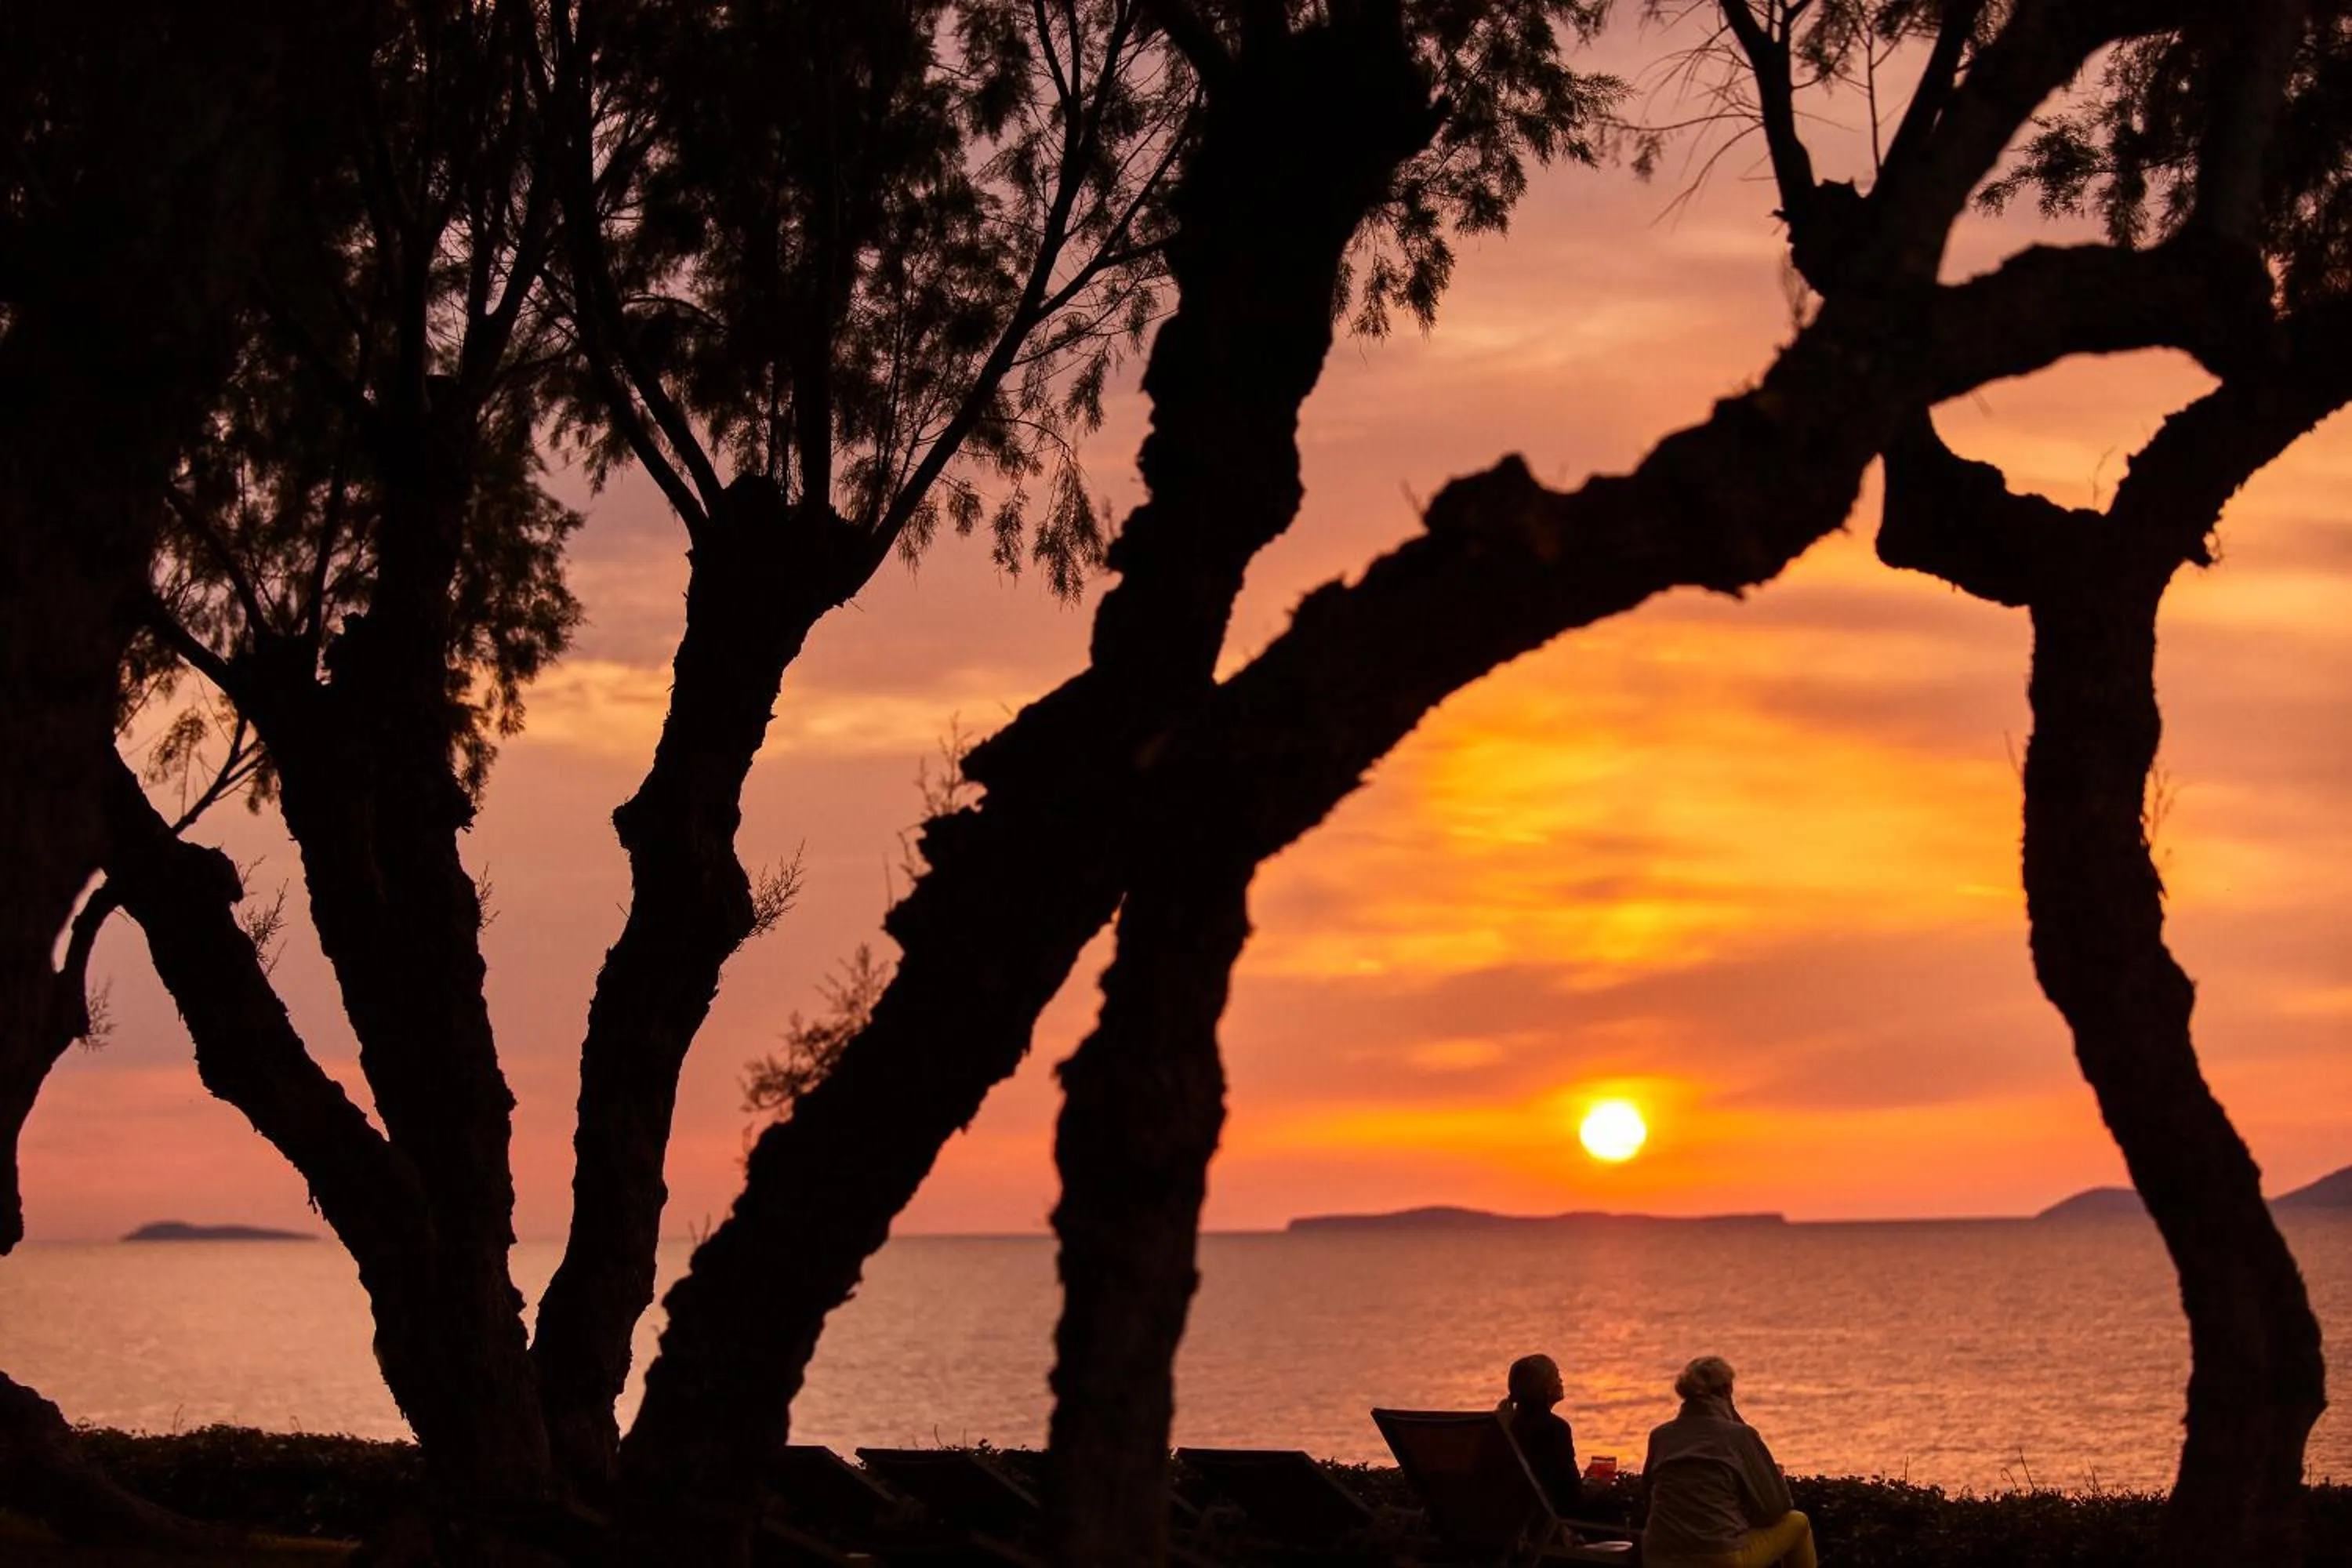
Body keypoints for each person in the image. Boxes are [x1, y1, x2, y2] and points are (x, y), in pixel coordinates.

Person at [1639, 1356, 1817, 1568]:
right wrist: (1771, 1479)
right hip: (1719, 1558)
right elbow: (1776, 1509)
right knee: (1798, 1522)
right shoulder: (1739, 1436)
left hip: (1659, 1557)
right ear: (1726, 1390)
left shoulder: (1660, 1436)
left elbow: (1647, 1495)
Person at [1500, 1352, 1581, 1516]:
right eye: (1557, 1376)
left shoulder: (1503, 1425)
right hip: (1544, 1524)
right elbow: (1570, 1495)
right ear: (1547, 1388)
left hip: (1507, 1518)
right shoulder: (1556, 1429)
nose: (1561, 1381)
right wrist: (1596, 1488)